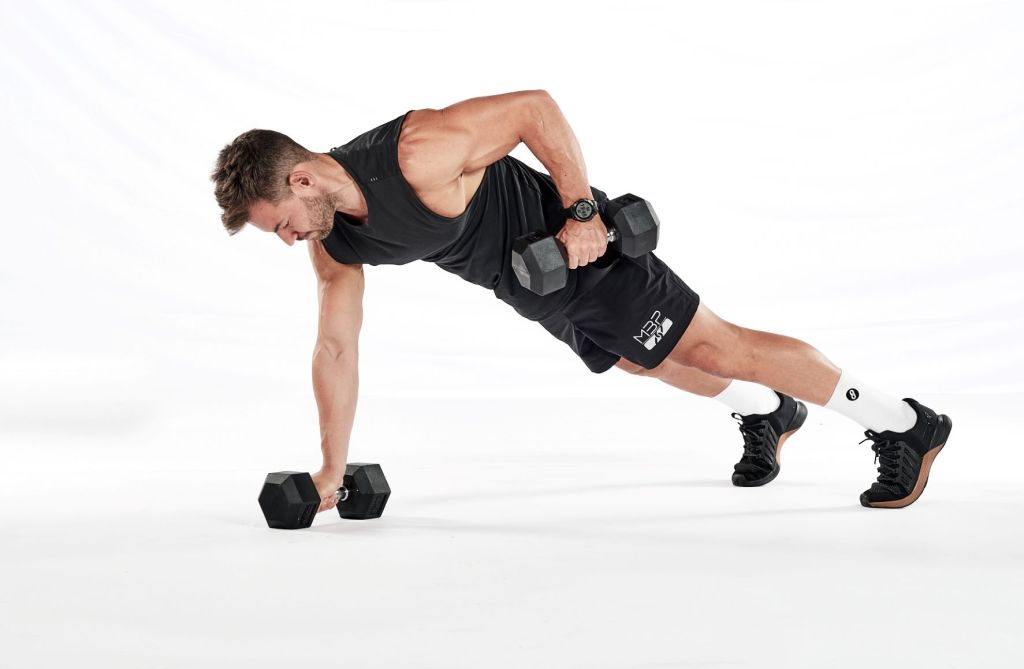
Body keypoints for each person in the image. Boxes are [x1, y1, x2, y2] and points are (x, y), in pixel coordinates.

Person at [210, 89, 952, 514]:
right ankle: (765, 411)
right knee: (641, 362)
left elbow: (535, 107)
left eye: (280, 225)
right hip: (530, 286)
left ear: (301, 181)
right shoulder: (334, 243)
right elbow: (335, 348)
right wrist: (329, 470)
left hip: (576, 252)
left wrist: (583, 212)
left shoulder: (416, 152)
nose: (287, 241)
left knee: (713, 344)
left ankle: (903, 423)